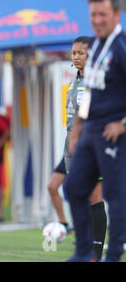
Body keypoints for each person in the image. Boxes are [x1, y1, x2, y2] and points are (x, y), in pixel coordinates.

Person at [64, 0, 126, 262]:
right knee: (74, 187)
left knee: (115, 195)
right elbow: (88, 92)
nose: (98, 20)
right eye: (93, 15)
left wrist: (123, 123)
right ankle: (83, 252)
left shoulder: (121, 47)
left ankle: (112, 256)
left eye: (103, 14)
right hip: (89, 131)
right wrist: (77, 128)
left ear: (116, 14)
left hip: (112, 134)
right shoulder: (97, 46)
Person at [46, 36, 106, 261]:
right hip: (72, 148)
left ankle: (96, 255)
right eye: (74, 53)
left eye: (82, 53)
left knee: (94, 196)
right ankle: (83, 247)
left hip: (91, 146)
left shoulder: (97, 80)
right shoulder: (75, 80)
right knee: (75, 194)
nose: (77, 57)